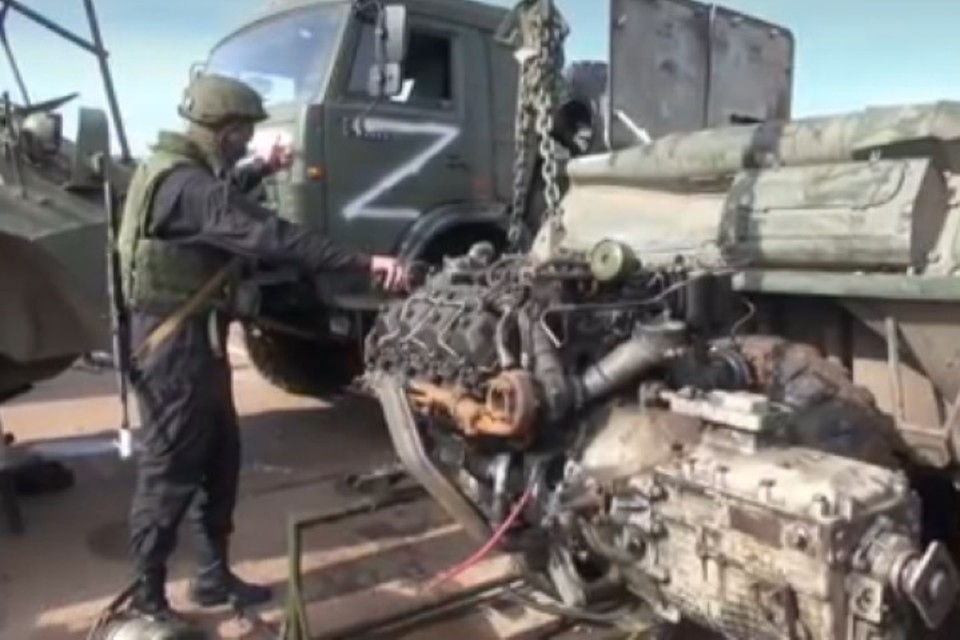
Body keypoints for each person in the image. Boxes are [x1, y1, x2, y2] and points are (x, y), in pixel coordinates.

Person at [115, 72, 408, 620]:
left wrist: (261, 169)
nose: (247, 142)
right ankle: (146, 601)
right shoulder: (188, 187)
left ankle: (212, 578)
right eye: (244, 134)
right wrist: (365, 262)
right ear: (223, 130)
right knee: (169, 473)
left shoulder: (177, 172)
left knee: (220, 461)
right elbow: (271, 235)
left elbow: (221, 198)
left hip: (195, 342)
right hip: (175, 349)